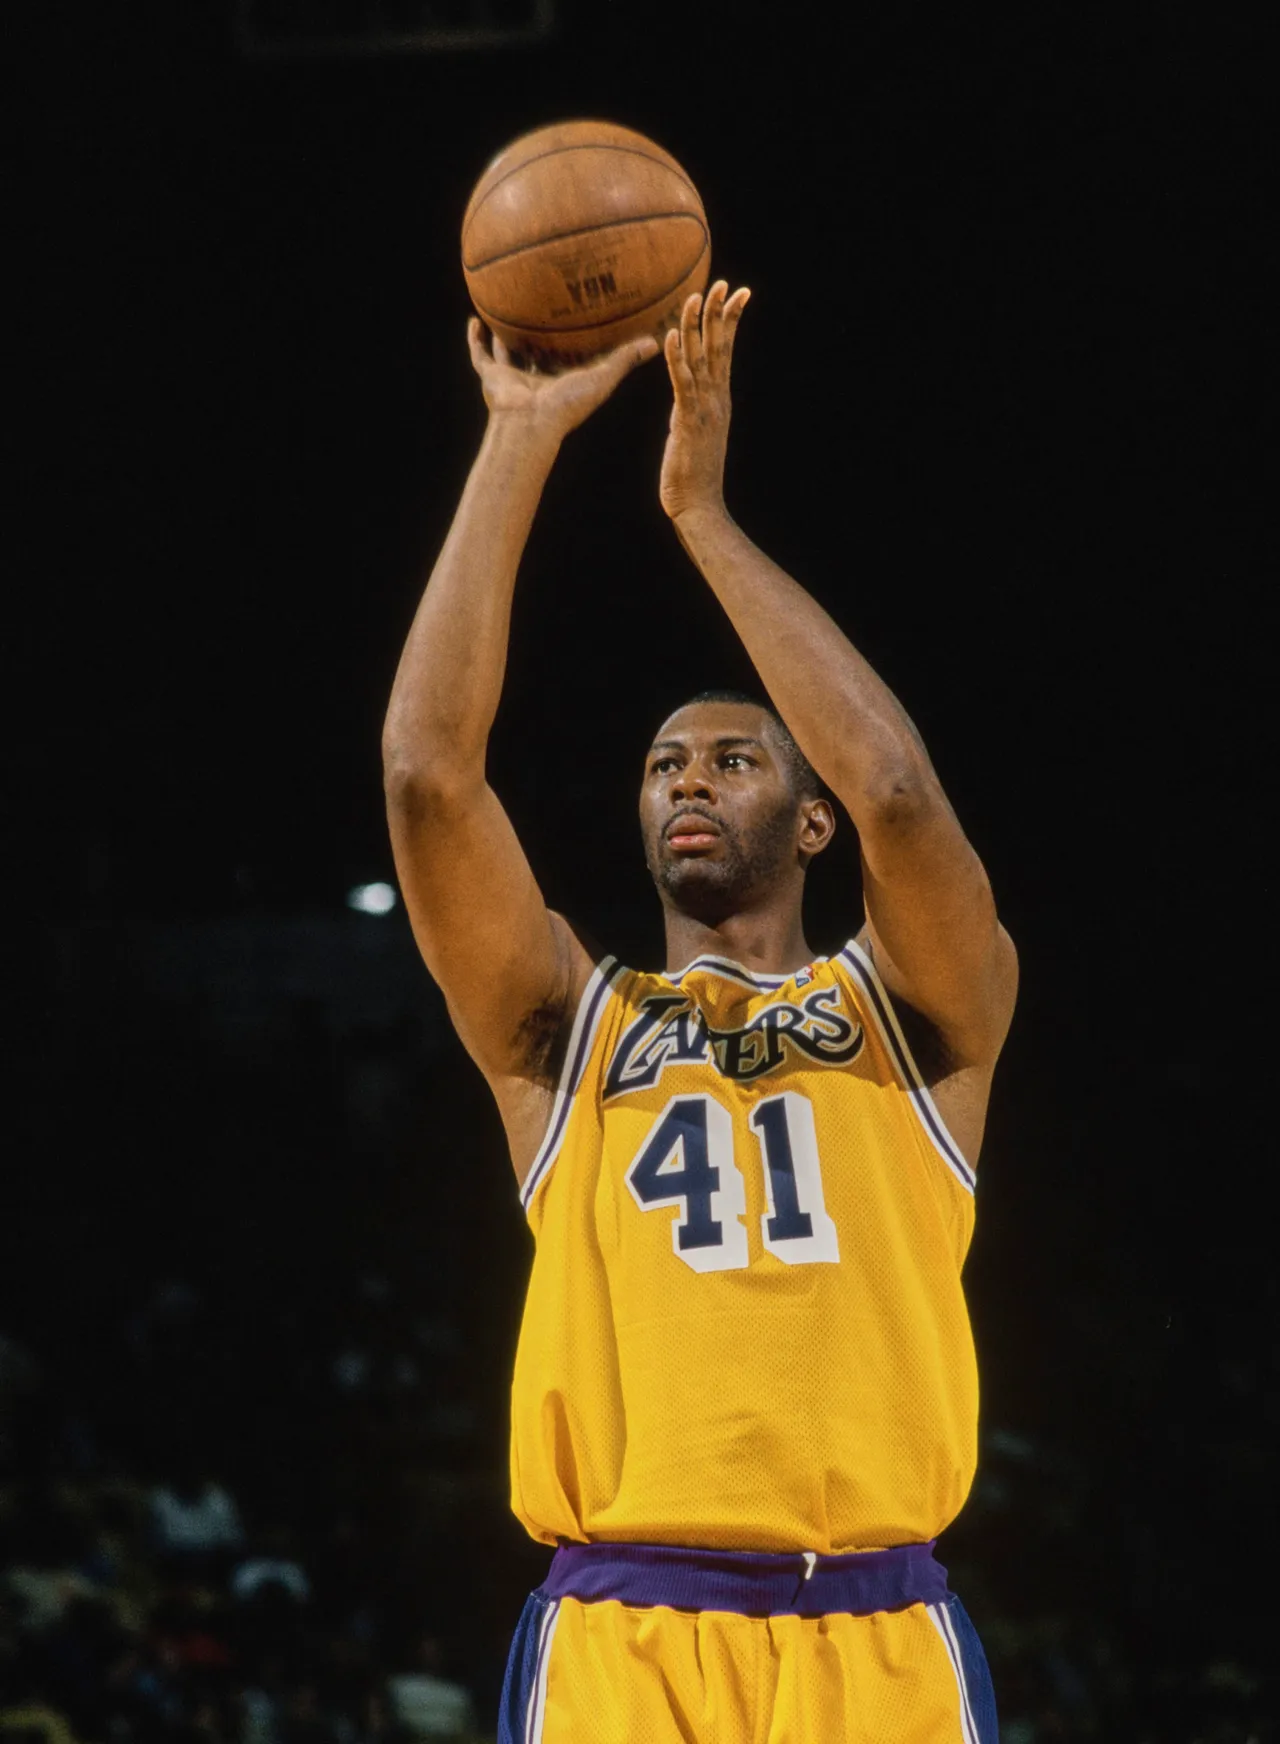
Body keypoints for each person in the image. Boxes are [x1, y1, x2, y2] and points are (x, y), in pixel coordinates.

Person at [382, 282, 1018, 1742]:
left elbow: (903, 797)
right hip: (627, 1628)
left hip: (882, 1631)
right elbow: (427, 773)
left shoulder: (921, 1011)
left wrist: (703, 521)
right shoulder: (564, 1027)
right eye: (668, 762)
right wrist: (520, 438)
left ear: (809, 823)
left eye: (735, 761)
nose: (686, 778)